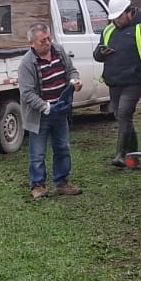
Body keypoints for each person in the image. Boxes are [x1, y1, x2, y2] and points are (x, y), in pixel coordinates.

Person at [92, 0, 141, 167]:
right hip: (114, 81)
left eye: (119, 17)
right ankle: (134, 156)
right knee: (121, 116)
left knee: (124, 113)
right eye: (113, 18)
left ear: (129, 12)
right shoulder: (109, 30)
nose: (116, 21)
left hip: (134, 81)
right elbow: (97, 55)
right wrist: (101, 52)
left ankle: (121, 154)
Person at [16, 22, 82, 198]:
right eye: (42, 41)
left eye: (48, 38)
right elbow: (27, 94)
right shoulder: (27, 64)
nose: (47, 42)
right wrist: (46, 107)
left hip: (60, 111)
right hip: (40, 115)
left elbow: (72, 71)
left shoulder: (59, 52)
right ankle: (37, 186)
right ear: (32, 44)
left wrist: (75, 82)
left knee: (62, 148)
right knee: (37, 153)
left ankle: (62, 183)